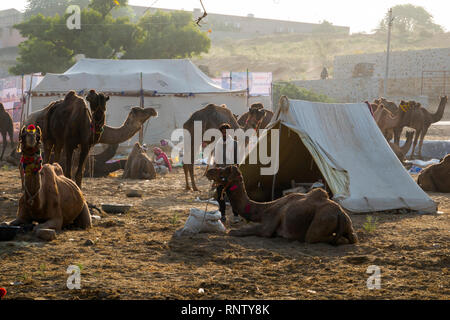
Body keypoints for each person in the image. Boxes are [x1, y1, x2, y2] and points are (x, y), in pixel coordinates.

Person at [209, 123, 241, 224]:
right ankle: (222, 215)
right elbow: (215, 161)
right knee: (220, 196)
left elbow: (237, 161)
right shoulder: (217, 144)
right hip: (220, 175)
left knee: (233, 195)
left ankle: (236, 216)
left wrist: (235, 173)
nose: (224, 134)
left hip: (231, 174)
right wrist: (215, 173)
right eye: (222, 132)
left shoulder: (235, 144)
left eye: (226, 132)